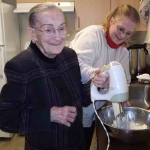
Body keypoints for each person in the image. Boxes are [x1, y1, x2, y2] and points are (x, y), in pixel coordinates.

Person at [0, 3, 92, 150]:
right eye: (48, 30)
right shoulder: (20, 66)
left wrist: (97, 86)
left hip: (77, 143)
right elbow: (5, 118)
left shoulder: (70, 56)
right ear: (32, 34)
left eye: (61, 28)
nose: (57, 37)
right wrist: (49, 115)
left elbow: (79, 96)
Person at [70, 4, 140, 150]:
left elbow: (125, 81)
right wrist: (94, 74)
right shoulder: (93, 35)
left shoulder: (122, 52)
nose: (122, 36)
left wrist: (123, 97)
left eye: (128, 33)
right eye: (121, 29)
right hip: (74, 106)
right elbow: (75, 64)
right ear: (112, 20)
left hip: (95, 108)